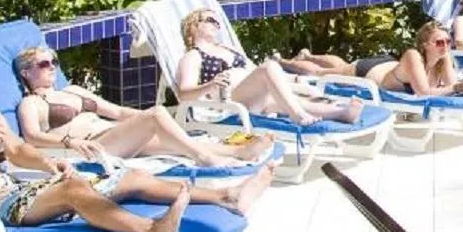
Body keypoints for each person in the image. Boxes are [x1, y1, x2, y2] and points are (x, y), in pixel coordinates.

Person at [0, 48, 272, 232]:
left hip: (16, 189)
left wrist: (52, 165)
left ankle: (227, 195)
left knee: (128, 176)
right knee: (76, 193)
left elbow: (19, 152)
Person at [14, 46, 273, 168]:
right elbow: (32, 137)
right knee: (159, 113)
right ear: (26, 73)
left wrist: (154, 122)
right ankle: (204, 159)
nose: (52, 68)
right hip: (94, 145)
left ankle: (238, 152)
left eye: (54, 62)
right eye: (44, 65)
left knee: (174, 140)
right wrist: (69, 143)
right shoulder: (31, 103)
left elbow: (115, 111)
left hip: (114, 132)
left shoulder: (72, 90)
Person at [174, 9, 364, 126]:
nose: (216, 25)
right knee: (268, 68)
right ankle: (298, 116)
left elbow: (252, 71)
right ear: (193, 26)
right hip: (230, 101)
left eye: (218, 22)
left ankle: (342, 113)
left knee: (279, 98)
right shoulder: (193, 56)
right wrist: (210, 85)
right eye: (210, 20)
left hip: (253, 96)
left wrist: (289, 80)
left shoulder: (227, 48)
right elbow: (183, 94)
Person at [354, 21, 463, 97]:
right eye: (440, 42)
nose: (446, 46)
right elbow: (424, 93)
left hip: (390, 65)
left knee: (336, 64)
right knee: (334, 71)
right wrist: (459, 87)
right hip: (369, 71)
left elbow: (451, 85)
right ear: (425, 45)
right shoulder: (413, 55)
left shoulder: (443, 56)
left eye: (448, 41)